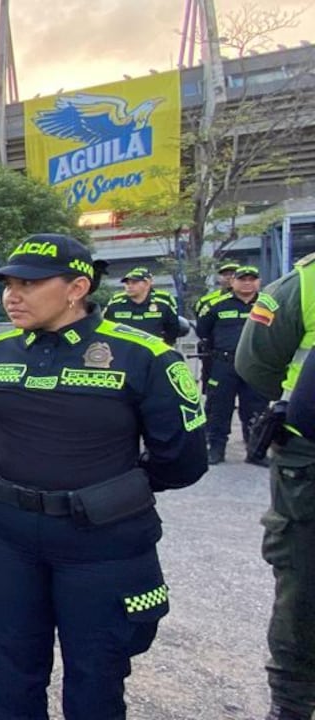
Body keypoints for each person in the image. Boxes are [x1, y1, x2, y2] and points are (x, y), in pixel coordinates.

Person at [0, 233, 208, 720]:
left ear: (76, 287)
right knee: (14, 671)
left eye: (28, 283)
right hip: (7, 540)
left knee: (96, 677)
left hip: (101, 546)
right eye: (7, 284)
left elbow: (184, 459)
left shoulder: (143, 356)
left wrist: (114, 492)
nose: (11, 295)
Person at [235, 253, 315, 720]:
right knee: (303, 578)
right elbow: (257, 362)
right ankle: (292, 699)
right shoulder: (303, 282)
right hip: (309, 457)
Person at [197, 265, 268, 465]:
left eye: (251, 279)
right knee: (219, 408)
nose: (247, 283)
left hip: (256, 365)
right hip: (224, 363)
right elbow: (204, 332)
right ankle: (216, 449)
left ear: (258, 282)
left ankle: (255, 451)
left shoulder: (268, 305)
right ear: (233, 282)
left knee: (256, 408)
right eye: (242, 279)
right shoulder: (217, 305)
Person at [103, 268, 181, 346]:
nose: (129, 286)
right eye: (127, 283)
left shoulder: (163, 305)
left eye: (134, 283)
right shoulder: (115, 305)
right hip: (123, 352)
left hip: (153, 352)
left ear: (147, 284)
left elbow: (173, 330)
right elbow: (104, 328)